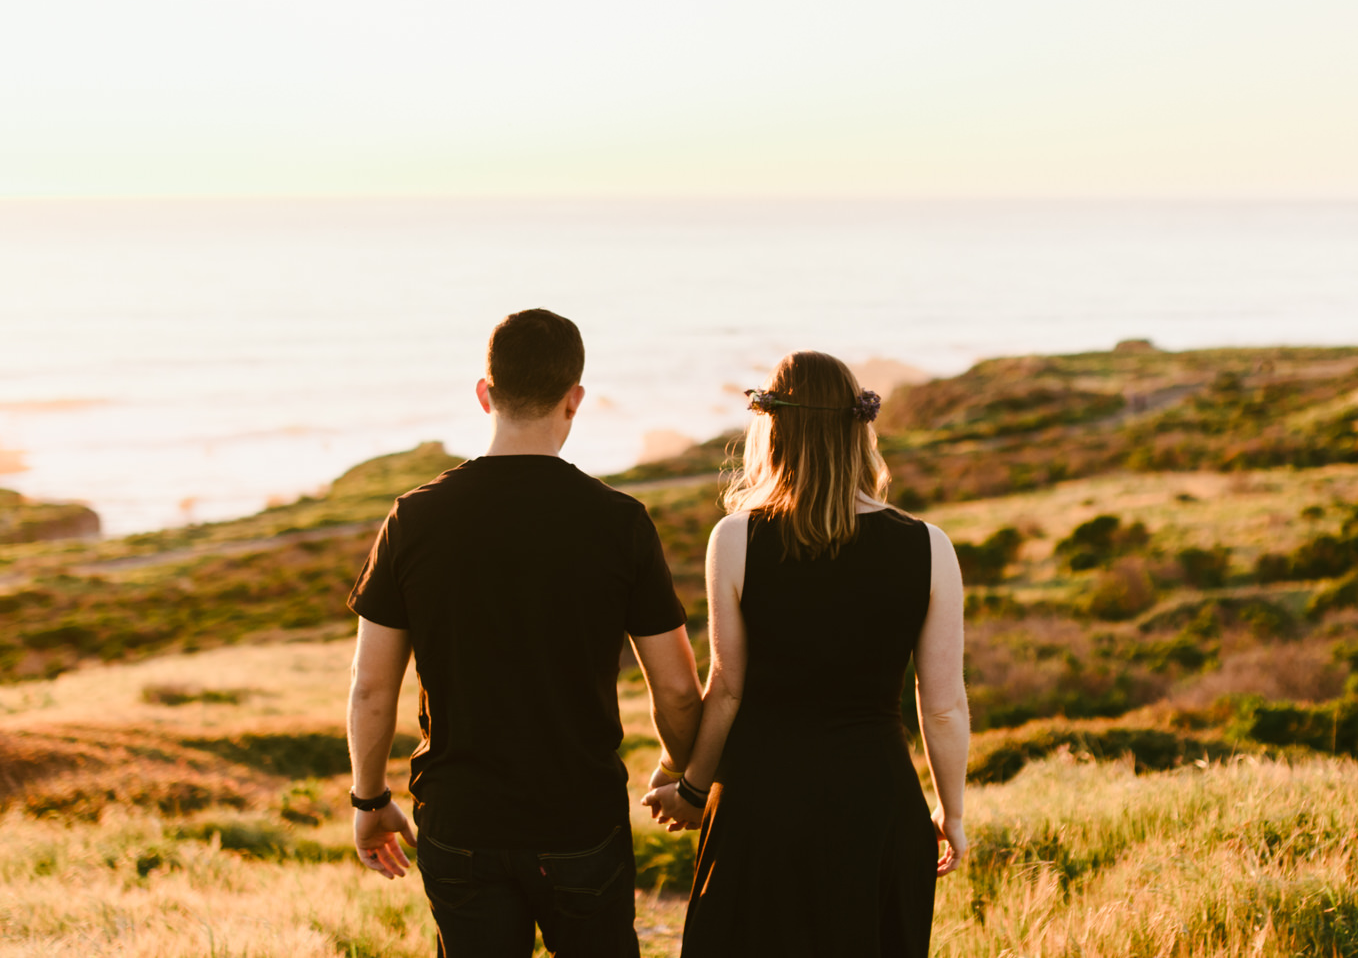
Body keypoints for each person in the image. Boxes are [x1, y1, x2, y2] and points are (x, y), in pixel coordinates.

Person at [345, 308, 704, 958]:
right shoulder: (618, 522)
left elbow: (371, 687)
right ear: (575, 400)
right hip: (579, 820)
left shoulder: (414, 518)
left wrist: (369, 797)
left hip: (460, 822)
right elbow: (677, 690)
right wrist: (684, 776)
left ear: (485, 393)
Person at [642, 350, 970, 958]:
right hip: (877, 806)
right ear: (858, 432)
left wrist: (691, 788)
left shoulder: (736, 538)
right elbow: (943, 705)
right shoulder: (930, 546)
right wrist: (952, 814)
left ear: (772, 428)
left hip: (758, 810)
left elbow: (728, 686)